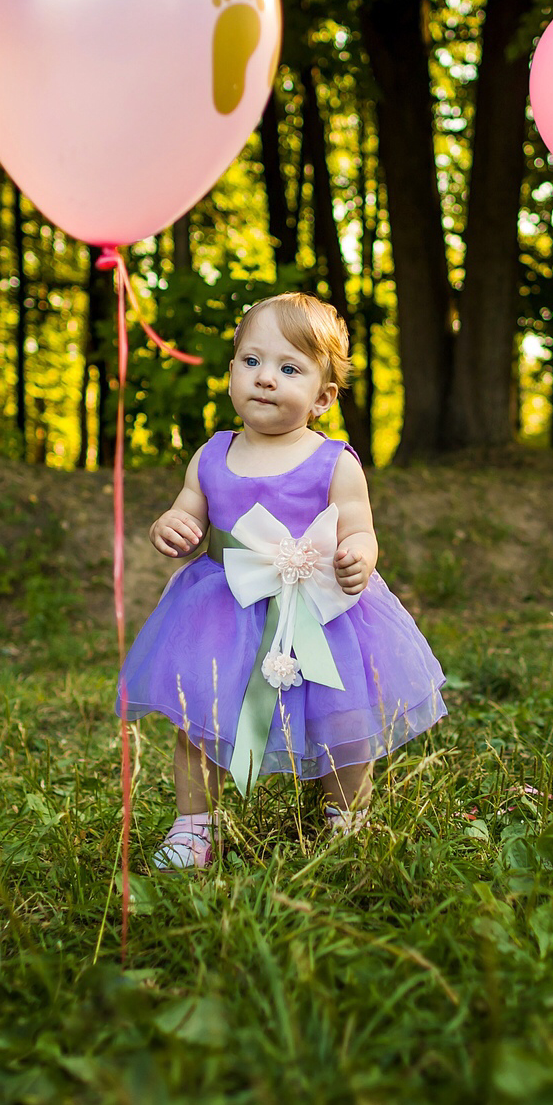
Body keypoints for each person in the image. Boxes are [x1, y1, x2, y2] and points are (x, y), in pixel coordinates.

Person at [119, 292, 447, 868]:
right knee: (203, 723)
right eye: (252, 361)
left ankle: (349, 818)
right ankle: (194, 824)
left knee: (345, 722)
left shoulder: (334, 462)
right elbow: (190, 511)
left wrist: (359, 555)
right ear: (230, 374)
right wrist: (172, 525)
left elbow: (361, 530)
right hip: (225, 610)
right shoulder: (212, 455)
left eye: (289, 368)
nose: (265, 378)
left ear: (322, 397)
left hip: (323, 608)